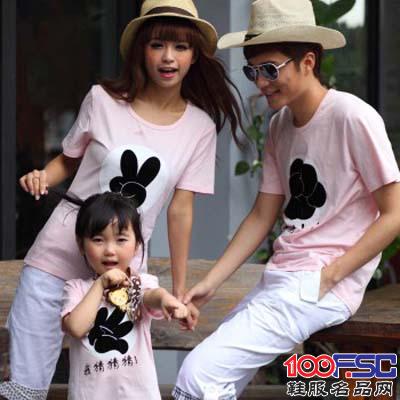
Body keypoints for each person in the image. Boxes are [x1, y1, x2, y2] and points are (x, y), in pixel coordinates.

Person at [0, 1, 244, 398]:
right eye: (158, 45)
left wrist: (180, 290)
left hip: (121, 276)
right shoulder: (102, 100)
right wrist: (43, 176)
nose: (168, 57)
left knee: (113, 382)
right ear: (141, 51)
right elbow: (69, 159)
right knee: (25, 388)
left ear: (195, 55)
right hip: (55, 258)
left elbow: (181, 210)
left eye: (181, 47)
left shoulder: (199, 127)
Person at [173, 0, 400, 399]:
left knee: (197, 376)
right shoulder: (280, 126)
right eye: (253, 71)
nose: (260, 82)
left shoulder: (352, 116)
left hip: (319, 284)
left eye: (270, 69)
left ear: (308, 62)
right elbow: (262, 215)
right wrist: (211, 282)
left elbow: (394, 213)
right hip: (282, 278)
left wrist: (330, 276)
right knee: (218, 382)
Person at [61, 191, 187, 399]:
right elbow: (76, 327)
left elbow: (150, 295)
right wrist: (100, 284)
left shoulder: (139, 283)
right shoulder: (76, 289)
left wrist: (166, 299)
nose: (110, 250)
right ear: (81, 244)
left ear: (137, 245)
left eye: (121, 239)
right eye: (98, 240)